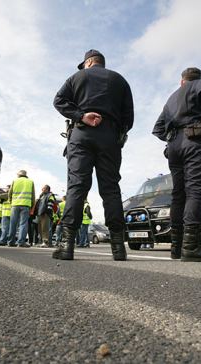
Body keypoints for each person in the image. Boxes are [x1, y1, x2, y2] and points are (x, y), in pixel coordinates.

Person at [53, 49, 134, 260]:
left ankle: (66, 246)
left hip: (82, 134)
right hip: (110, 137)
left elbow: (59, 101)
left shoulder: (77, 77)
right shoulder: (120, 80)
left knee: (77, 187)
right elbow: (129, 118)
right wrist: (115, 131)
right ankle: (118, 248)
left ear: (88, 63)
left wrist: (81, 116)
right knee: (110, 188)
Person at [152, 67, 201, 262]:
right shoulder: (197, 86)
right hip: (194, 142)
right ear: (194, 80)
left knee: (179, 194)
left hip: (174, 147)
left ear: (181, 81)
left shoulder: (171, 98)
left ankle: (176, 247)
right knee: (197, 191)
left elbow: (157, 129)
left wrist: (172, 140)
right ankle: (191, 246)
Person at [7, 170, 35, 247]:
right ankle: (21, 242)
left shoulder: (15, 181)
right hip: (26, 205)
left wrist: (11, 202)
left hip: (15, 205)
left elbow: (10, 193)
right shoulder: (30, 182)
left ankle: (11, 242)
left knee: (13, 223)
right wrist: (32, 206)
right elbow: (33, 196)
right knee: (23, 224)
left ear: (18, 175)